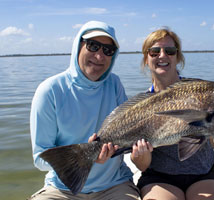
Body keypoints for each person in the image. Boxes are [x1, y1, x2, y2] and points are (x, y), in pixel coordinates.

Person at [29, 21, 140, 200]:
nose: (99, 56)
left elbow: (128, 134)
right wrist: (84, 158)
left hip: (114, 185)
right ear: (78, 45)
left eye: (108, 50)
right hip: (61, 189)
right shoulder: (50, 90)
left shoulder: (115, 84)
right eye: (93, 46)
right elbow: (40, 159)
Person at [130, 28, 214, 200]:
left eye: (170, 51)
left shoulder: (201, 92)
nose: (162, 55)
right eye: (154, 51)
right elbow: (143, 166)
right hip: (159, 177)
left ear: (178, 57)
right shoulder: (139, 107)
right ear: (146, 58)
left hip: (205, 173)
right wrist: (140, 155)